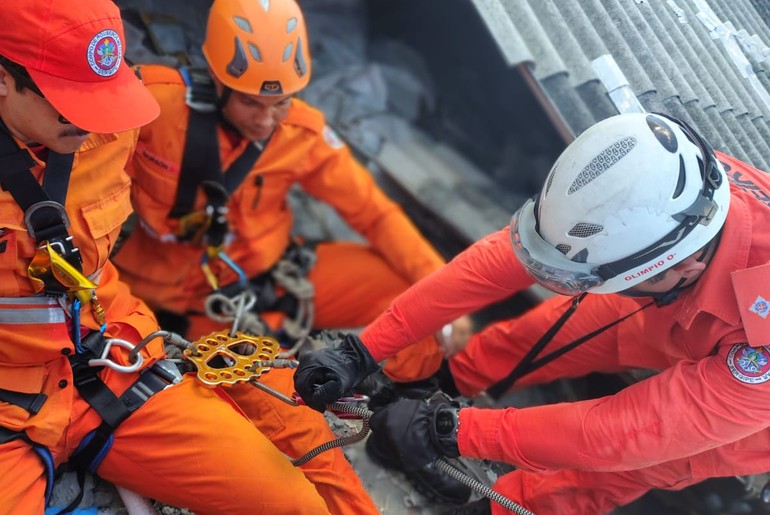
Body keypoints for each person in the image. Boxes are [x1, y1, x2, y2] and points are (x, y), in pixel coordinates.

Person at [294, 111, 770, 514]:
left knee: (635, 462)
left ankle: (494, 504)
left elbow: (621, 432)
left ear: (682, 265)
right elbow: (492, 266)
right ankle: (435, 387)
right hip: (677, 302)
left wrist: (454, 432)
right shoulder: (663, 185)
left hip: (755, 411)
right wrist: (363, 350)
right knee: (543, 333)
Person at [111, 0, 471, 511]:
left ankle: (408, 414)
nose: (267, 119)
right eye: (253, 103)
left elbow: (375, 213)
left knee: (412, 295)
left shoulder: (299, 132)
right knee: (305, 435)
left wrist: (442, 293)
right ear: (218, 81)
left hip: (275, 277)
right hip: (195, 309)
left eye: (280, 104)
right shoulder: (153, 107)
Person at [0, 0, 339, 514]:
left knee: (295, 506)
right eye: (73, 104)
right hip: (8, 407)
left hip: (111, 359)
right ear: (4, 79)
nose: (93, 124)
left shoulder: (116, 128)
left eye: (104, 100)